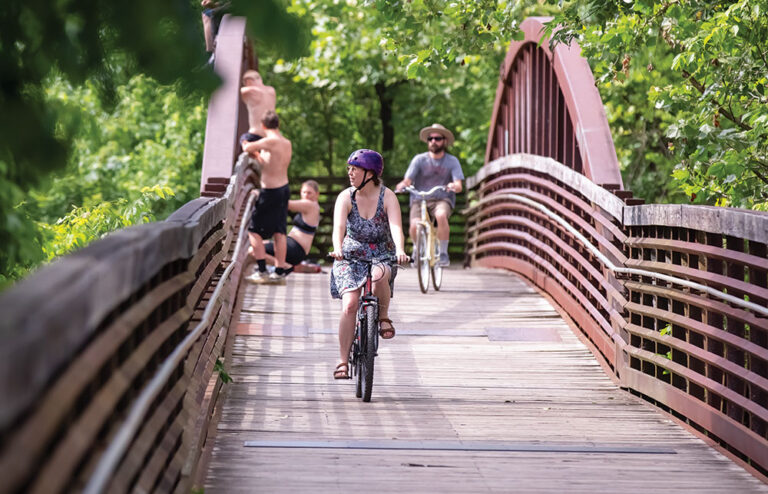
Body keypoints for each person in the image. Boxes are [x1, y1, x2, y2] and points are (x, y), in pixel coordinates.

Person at [329, 149, 409, 380]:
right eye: (349, 168)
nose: (350, 173)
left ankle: (383, 317)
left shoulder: (387, 196)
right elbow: (339, 228)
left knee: (379, 275)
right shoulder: (346, 197)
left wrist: (401, 250)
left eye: (355, 169)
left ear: (371, 173)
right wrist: (338, 248)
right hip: (349, 256)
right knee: (350, 305)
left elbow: (396, 227)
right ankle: (343, 361)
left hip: (381, 254)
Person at [395, 123, 464, 267]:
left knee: (441, 216)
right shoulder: (419, 159)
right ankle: (417, 247)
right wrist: (402, 186)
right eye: (430, 138)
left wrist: (453, 186)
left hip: (442, 198)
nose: (433, 141)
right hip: (420, 198)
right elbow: (407, 180)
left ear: (444, 141)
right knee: (414, 225)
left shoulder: (452, 161)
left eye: (437, 138)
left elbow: (459, 185)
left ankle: (443, 254)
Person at [244, 110, 292, 284]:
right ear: (278, 124)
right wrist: (259, 156)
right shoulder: (286, 143)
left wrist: (245, 140)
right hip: (284, 188)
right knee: (280, 232)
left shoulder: (270, 141)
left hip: (270, 191)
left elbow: (247, 147)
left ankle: (263, 271)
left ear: (263, 126)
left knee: (254, 231)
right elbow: (271, 163)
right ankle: (279, 272)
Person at [261, 179, 321, 275]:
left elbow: (286, 204)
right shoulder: (309, 206)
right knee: (259, 244)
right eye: (304, 192)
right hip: (291, 246)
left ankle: (285, 266)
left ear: (317, 194)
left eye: (309, 193)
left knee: (254, 250)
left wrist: (263, 194)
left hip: (295, 249)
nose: (306, 195)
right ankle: (281, 267)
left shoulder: (311, 205)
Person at [239, 70, 276, 147]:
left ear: (248, 81)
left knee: (243, 140)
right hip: (270, 136)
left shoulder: (250, 91)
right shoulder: (271, 90)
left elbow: (232, 90)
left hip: (255, 135)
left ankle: (255, 154)